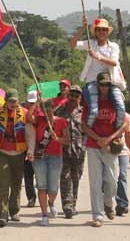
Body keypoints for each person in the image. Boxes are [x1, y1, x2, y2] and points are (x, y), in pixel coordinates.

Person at [82, 72, 128, 228]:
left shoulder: (116, 102)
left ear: (111, 85)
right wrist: (98, 139)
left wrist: (107, 140)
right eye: (101, 84)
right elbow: (84, 126)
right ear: (97, 84)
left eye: (107, 84)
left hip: (110, 146)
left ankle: (108, 203)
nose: (104, 88)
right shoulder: (90, 102)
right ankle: (98, 216)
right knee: (95, 182)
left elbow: (125, 125)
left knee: (112, 181)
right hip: (93, 146)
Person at [0, 88, 35, 228]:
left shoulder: (24, 113)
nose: (13, 103)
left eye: (15, 101)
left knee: (16, 183)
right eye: (10, 101)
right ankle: (3, 214)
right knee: (3, 183)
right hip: (1, 151)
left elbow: (30, 133)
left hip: (19, 152)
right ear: (5, 101)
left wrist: (30, 149)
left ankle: (14, 210)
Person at [70, 16, 126, 130]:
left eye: (104, 29)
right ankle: (87, 132)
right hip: (92, 82)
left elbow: (114, 62)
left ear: (108, 32)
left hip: (110, 82)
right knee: (94, 110)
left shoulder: (113, 46)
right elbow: (72, 44)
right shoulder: (91, 44)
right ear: (95, 32)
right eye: (99, 29)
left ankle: (117, 133)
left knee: (121, 107)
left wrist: (97, 57)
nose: (102, 32)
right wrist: (83, 28)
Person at [27, 91, 69, 226]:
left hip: (56, 157)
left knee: (53, 188)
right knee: (42, 186)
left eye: (49, 110)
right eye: (44, 110)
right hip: (40, 157)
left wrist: (57, 138)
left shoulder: (61, 122)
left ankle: (51, 202)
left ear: (53, 108)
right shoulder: (39, 120)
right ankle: (44, 215)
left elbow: (68, 140)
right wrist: (37, 102)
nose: (47, 113)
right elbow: (28, 117)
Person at [55, 84, 85, 219]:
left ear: (80, 98)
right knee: (65, 177)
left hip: (79, 151)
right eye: (71, 95)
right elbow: (51, 124)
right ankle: (67, 205)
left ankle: (73, 203)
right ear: (67, 96)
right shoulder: (59, 111)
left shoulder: (84, 112)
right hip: (63, 149)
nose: (73, 98)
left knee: (76, 177)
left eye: (76, 96)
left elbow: (88, 131)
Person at [115, 113, 130, 217]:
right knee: (110, 178)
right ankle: (106, 202)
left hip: (123, 151)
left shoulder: (126, 116)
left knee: (122, 175)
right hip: (109, 151)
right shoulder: (107, 114)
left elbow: (128, 134)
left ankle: (122, 204)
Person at [24, 91, 39, 208]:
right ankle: (31, 198)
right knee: (28, 176)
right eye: (30, 103)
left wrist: (38, 103)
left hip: (40, 148)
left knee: (40, 176)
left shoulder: (41, 113)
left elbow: (33, 118)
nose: (32, 105)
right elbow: (28, 117)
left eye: (33, 103)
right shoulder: (23, 112)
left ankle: (44, 197)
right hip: (27, 148)